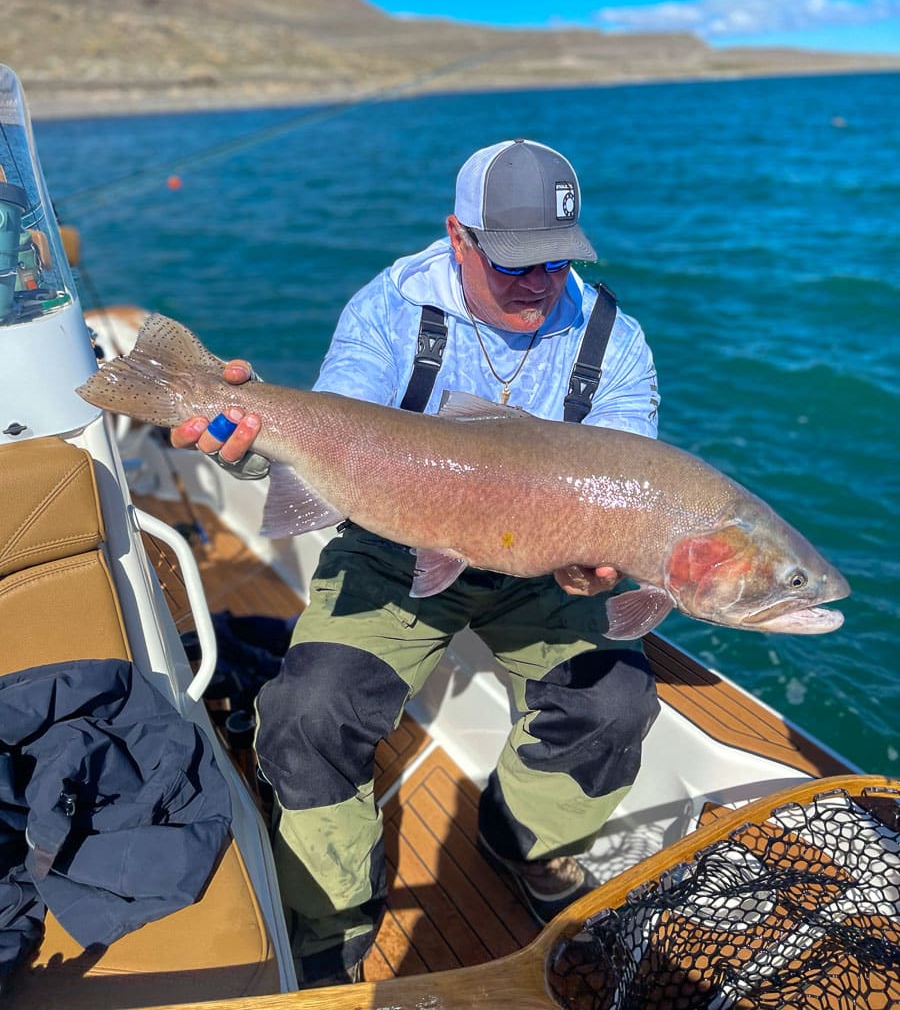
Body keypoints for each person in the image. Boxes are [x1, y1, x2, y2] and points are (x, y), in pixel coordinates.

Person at [172, 138, 661, 987]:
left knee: (616, 704)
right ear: (458, 235)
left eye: (554, 262)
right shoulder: (390, 309)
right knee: (308, 711)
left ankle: (524, 843)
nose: (536, 283)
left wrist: (600, 566)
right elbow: (335, 439)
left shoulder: (614, 341)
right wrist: (246, 448)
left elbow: (626, 480)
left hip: (540, 564)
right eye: (512, 261)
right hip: (396, 540)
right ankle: (331, 913)